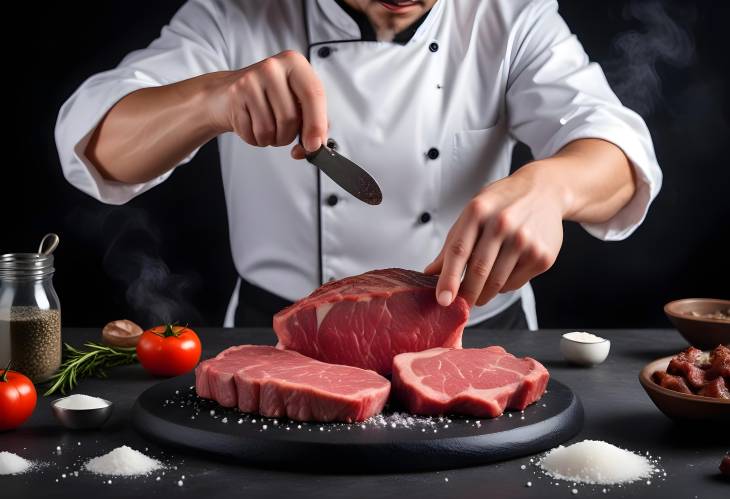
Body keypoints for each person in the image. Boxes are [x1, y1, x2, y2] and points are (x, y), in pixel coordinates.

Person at [55, 0, 662, 329]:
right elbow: (96, 142)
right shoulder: (234, 15)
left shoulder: (513, 17)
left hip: (471, 333)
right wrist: (208, 99)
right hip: (282, 335)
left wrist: (552, 186)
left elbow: (617, 151)